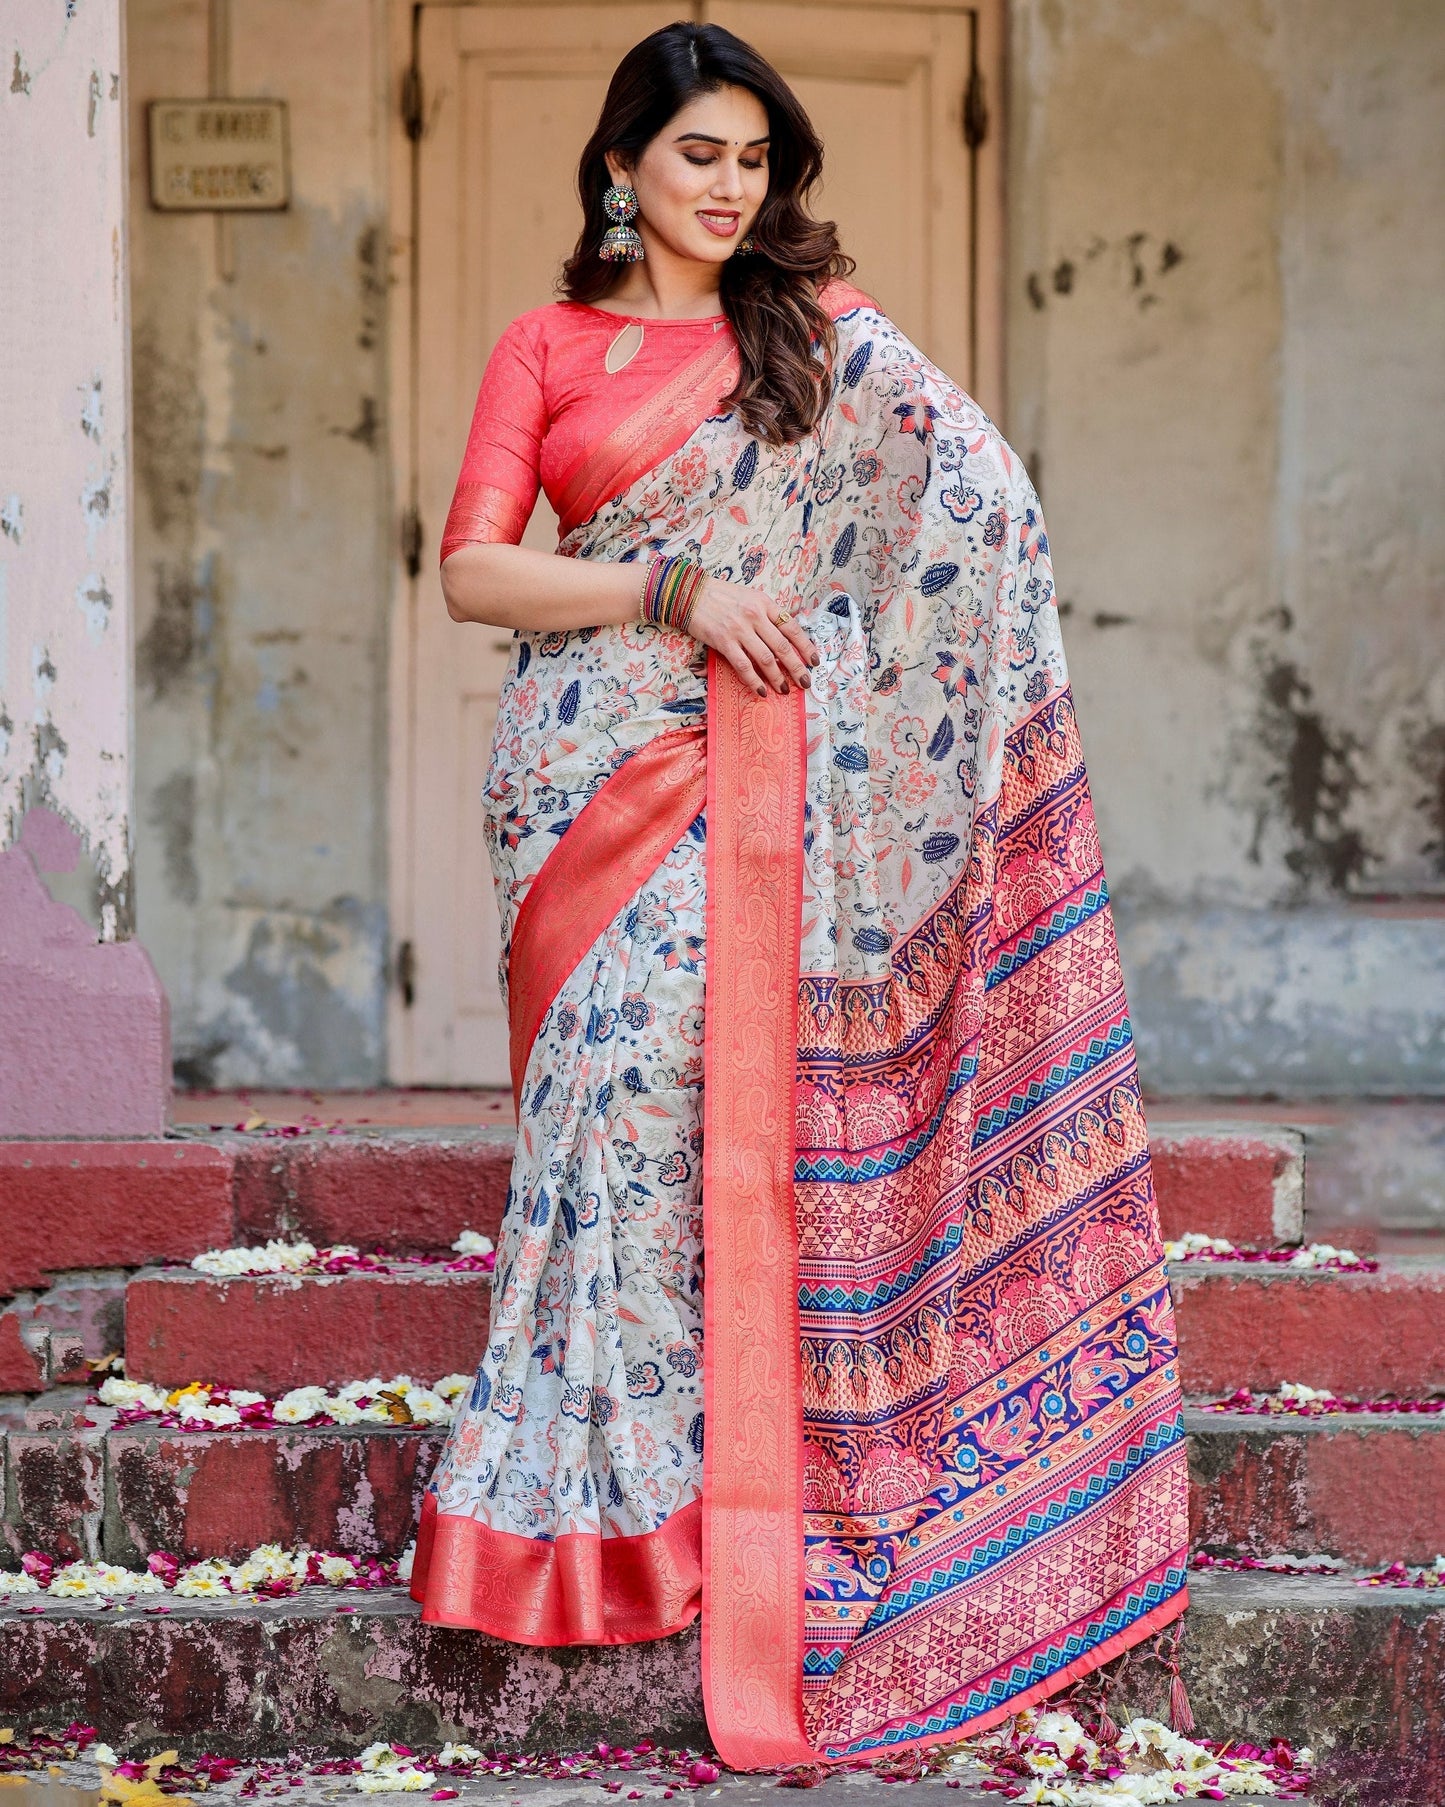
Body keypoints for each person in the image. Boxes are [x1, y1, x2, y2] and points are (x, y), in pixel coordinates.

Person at [410, 20, 1188, 1770]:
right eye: (696, 154)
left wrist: (883, 656)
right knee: (597, 1105)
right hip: (583, 771)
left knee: (704, 1110)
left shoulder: (822, 342)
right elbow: (473, 567)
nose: (727, 185)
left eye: (752, 159)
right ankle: (585, 1505)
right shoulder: (547, 341)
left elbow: (975, 508)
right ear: (622, 165)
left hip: (771, 780)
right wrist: (672, 588)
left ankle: (722, 1496)